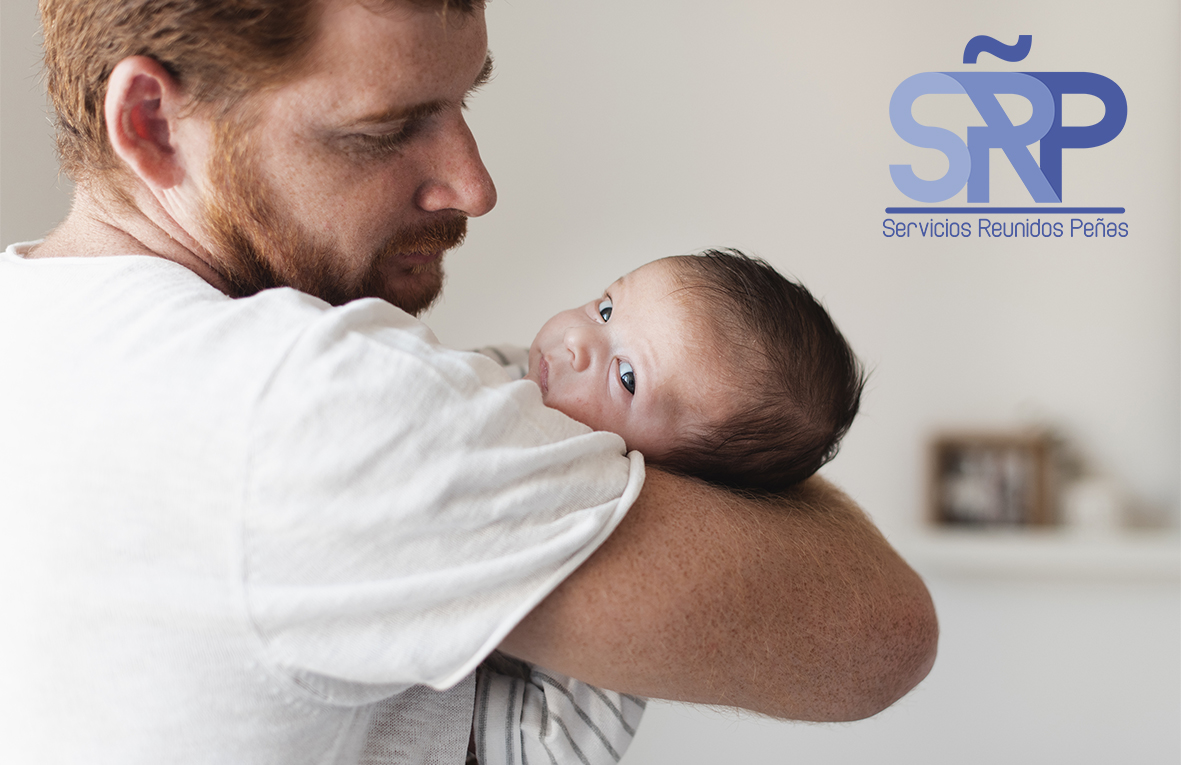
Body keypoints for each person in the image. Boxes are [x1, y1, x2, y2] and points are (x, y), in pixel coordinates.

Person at [0, 1, 937, 764]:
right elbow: (879, 637)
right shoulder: (313, 399)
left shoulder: (29, 321)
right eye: (387, 128)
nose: (474, 183)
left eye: (461, 103)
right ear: (152, 125)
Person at [472, 249, 866, 765]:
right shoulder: (503, 369)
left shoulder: (619, 546)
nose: (578, 341)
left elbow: (556, 745)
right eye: (607, 309)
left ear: (674, 482)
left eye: (627, 377)